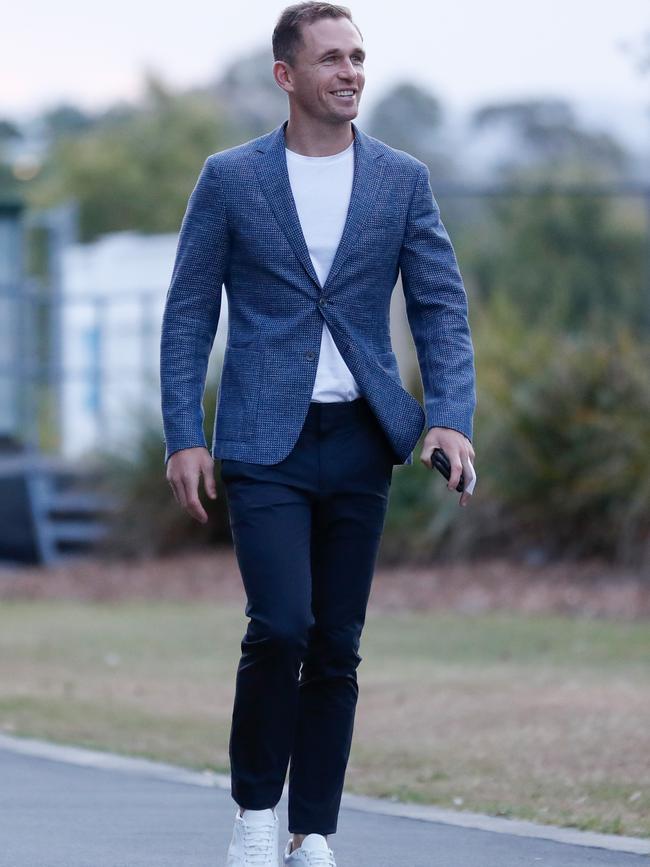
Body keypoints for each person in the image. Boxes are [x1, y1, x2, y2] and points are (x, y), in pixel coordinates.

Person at [160, 2, 477, 864]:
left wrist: (448, 415)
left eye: (359, 57)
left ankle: (314, 830)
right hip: (264, 441)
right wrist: (183, 432)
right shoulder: (230, 179)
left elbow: (440, 303)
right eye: (332, 58)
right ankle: (257, 812)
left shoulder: (401, 179)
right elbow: (189, 311)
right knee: (283, 625)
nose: (351, 73)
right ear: (286, 75)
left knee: (338, 642)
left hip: (363, 436)